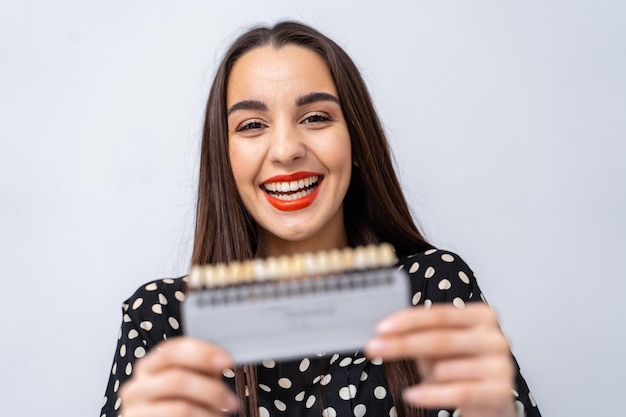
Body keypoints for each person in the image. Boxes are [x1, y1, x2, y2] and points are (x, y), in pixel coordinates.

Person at [100, 21, 541, 417]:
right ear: (224, 154)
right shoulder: (161, 319)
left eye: (315, 117)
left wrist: (493, 412)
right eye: (252, 125)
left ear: (355, 137)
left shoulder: (431, 289)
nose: (286, 149)